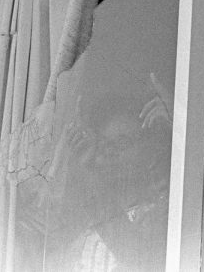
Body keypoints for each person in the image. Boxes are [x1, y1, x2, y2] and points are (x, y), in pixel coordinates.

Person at [54, 93, 172, 271]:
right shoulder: (82, 226)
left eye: (122, 143)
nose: (110, 152)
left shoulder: (167, 214)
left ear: (149, 151)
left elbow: (139, 258)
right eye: (104, 144)